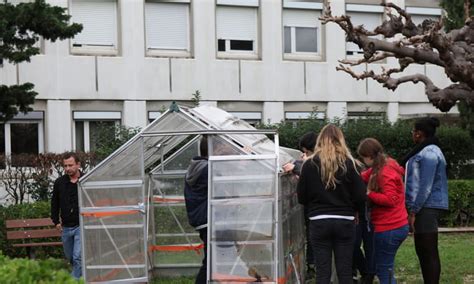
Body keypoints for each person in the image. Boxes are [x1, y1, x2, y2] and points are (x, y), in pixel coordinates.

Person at [297, 124, 366, 284]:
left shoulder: (309, 164)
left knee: (322, 272)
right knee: (345, 270)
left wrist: (314, 205)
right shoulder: (351, 164)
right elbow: (361, 196)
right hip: (345, 220)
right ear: (341, 140)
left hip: (318, 220)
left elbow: (301, 197)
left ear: (320, 140)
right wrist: (355, 210)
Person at [401, 117, 448, 284]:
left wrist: (413, 210)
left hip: (427, 206)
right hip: (424, 207)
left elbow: (425, 186)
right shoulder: (423, 150)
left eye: (413, 132)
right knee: (422, 250)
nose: (412, 134)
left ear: (419, 133)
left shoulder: (429, 153)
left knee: (428, 251)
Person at [357, 138, 409, 284]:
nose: (362, 160)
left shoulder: (384, 172)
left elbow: (390, 200)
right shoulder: (383, 165)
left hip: (389, 228)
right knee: (386, 267)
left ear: (370, 156)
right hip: (396, 225)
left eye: (363, 157)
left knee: (384, 270)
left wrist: (369, 193)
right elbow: (363, 176)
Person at [282, 131, 318, 278]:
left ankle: (314, 266)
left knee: (314, 237)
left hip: (317, 209)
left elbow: (315, 174)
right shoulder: (311, 161)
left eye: (306, 151)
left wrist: (297, 167)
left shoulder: (317, 162)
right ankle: (312, 265)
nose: (304, 153)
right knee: (312, 236)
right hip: (315, 209)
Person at [51, 152, 82, 279]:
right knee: (70, 257)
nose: (68, 168)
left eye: (70, 165)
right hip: (66, 227)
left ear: (78, 165)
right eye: (65, 166)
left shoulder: (85, 180)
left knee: (77, 257)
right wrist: (56, 222)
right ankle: (82, 277)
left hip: (81, 225)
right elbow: (54, 203)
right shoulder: (59, 182)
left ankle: (74, 281)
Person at [184, 136, 209, 284]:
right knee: (211, 261)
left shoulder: (198, 166)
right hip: (208, 220)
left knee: (214, 259)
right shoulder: (207, 168)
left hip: (203, 220)